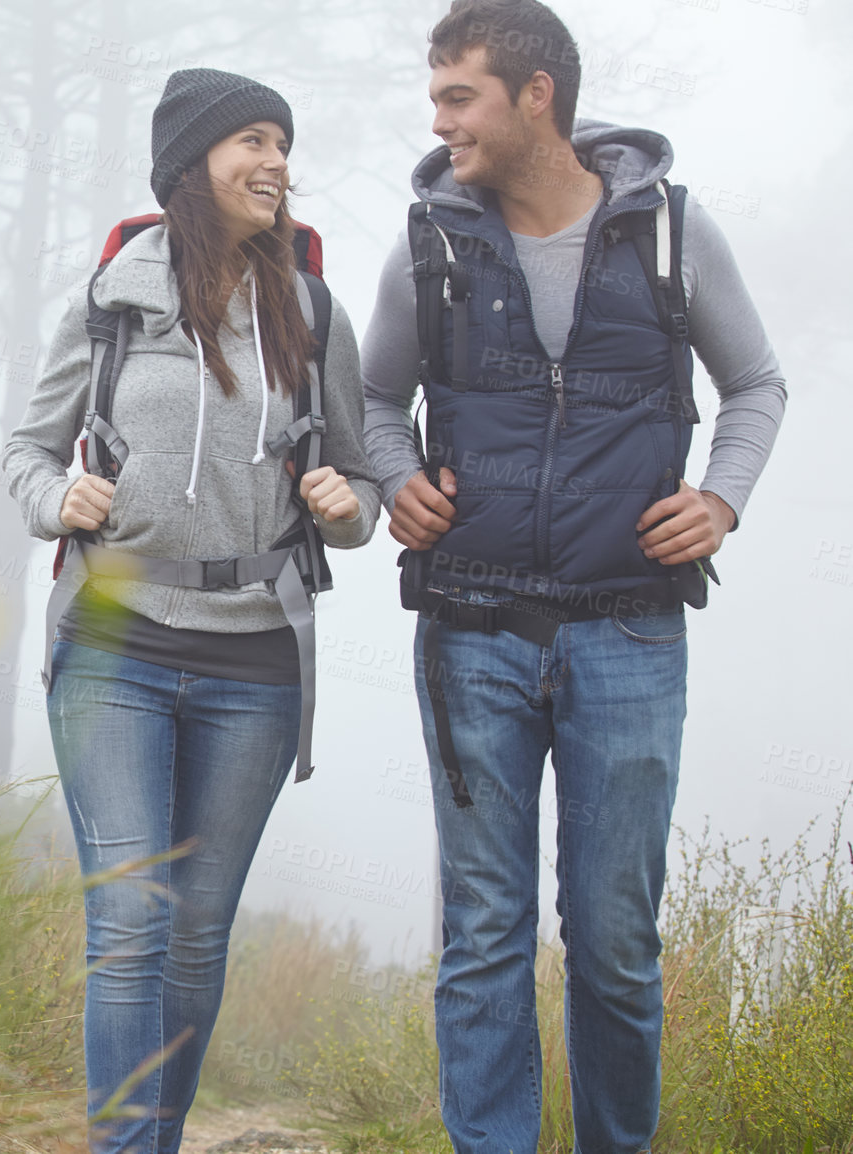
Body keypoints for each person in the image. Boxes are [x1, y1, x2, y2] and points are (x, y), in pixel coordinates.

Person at [357, 2, 788, 1151]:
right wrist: (397, 476)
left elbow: (756, 384)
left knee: (611, 937)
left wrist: (721, 499)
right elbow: (366, 401)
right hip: (469, 628)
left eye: (459, 95)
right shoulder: (429, 242)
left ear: (535, 95)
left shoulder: (670, 235)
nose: (438, 118)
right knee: (485, 930)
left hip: (631, 635)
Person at [1, 67, 381, 1154]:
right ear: (190, 166)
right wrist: (52, 497)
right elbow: (29, 448)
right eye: (250, 141)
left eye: (282, 145)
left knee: (196, 934)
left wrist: (346, 505)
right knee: (130, 923)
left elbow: (361, 489)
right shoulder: (110, 299)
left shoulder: (312, 310)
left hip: (255, 658)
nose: (274, 163)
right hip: (112, 642)